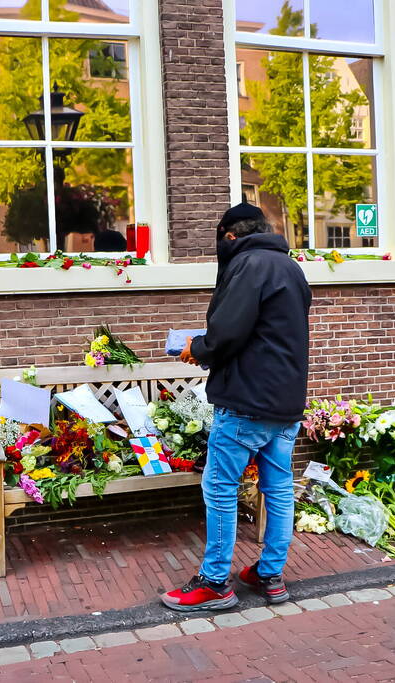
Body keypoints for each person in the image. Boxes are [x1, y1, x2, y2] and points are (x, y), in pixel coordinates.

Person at [161, 202, 311, 612]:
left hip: (246, 401)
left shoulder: (248, 265)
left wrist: (197, 348)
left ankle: (214, 583)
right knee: (278, 490)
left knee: (220, 489)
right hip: (286, 403)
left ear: (230, 237)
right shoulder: (290, 267)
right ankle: (270, 574)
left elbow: (228, 332)